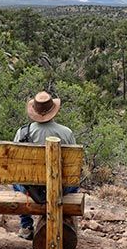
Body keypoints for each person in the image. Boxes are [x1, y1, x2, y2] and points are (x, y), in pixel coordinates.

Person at [12, 91, 78, 240]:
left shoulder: (22, 133)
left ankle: (26, 226)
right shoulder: (66, 133)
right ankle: (63, 221)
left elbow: (15, 165)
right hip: (61, 188)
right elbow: (74, 168)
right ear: (53, 111)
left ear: (34, 111)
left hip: (31, 190)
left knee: (16, 181)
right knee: (74, 182)